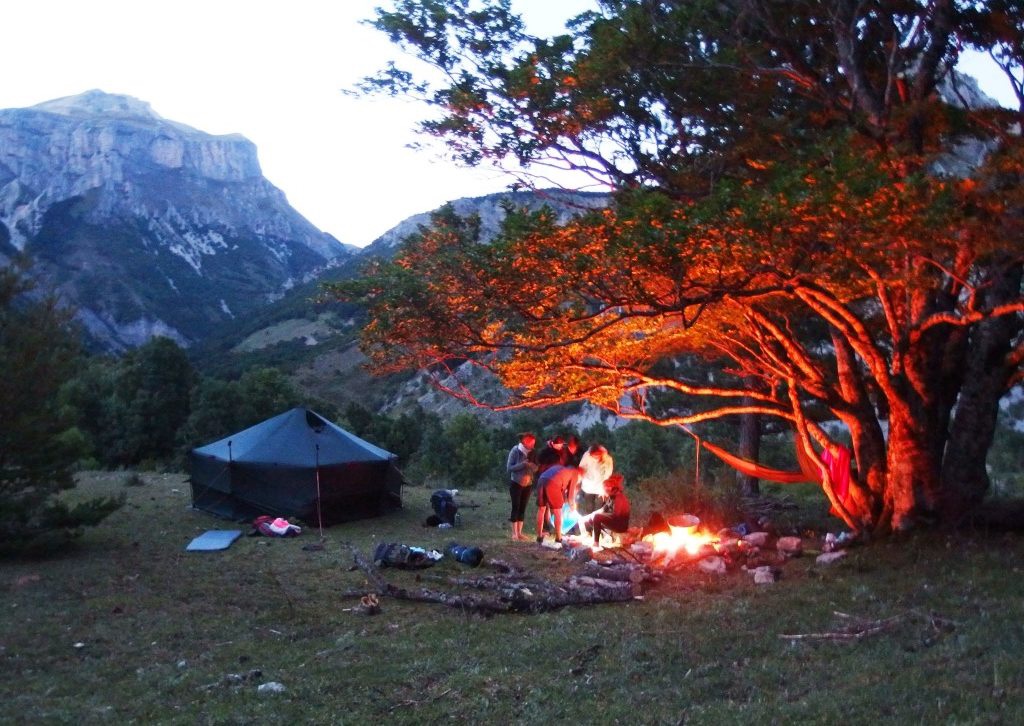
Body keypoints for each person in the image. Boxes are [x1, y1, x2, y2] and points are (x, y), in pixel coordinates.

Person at [535, 457, 581, 545]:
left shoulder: (561, 469)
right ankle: (558, 538)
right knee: (557, 511)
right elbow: (571, 496)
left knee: (541, 509)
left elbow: (564, 493)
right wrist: (573, 506)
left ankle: (539, 536)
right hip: (553, 483)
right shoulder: (575, 473)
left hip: (541, 479)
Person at [506, 432, 538, 541]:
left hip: (528, 483)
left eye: (534, 443)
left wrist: (533, 467)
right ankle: (514, 534)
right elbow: (509, 467)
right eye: (531, 443)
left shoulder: (533, 453)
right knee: (516, 506)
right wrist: (523, 464)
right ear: (525, 442)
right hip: (516, 482)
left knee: (523, 508)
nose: (533, 445)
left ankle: (520, 533)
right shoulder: (515, 451)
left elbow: (536, 467)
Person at [587, 473, 630, 549]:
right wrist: (592, 514)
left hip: (620, 525)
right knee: (592, 517)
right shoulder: (611, 497)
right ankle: (603, 537)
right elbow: (604, 509)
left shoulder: (619, 498)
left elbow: (616, 515)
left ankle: (596, 543)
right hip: (615, 521)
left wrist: (601, 515)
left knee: (597, 517)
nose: (605, 492)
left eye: (606, 490)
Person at [578, 444, 614, 515]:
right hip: (588, 486)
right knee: (589, 507)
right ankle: (589, 523)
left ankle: (598, 523)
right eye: (593, 456)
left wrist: (605, 489)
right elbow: (581, 468)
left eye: (597, 455)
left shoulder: (607, 459)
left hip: (600, 487)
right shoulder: (587, 455)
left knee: (599, 509)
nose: (595, 457)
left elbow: (608, 474)